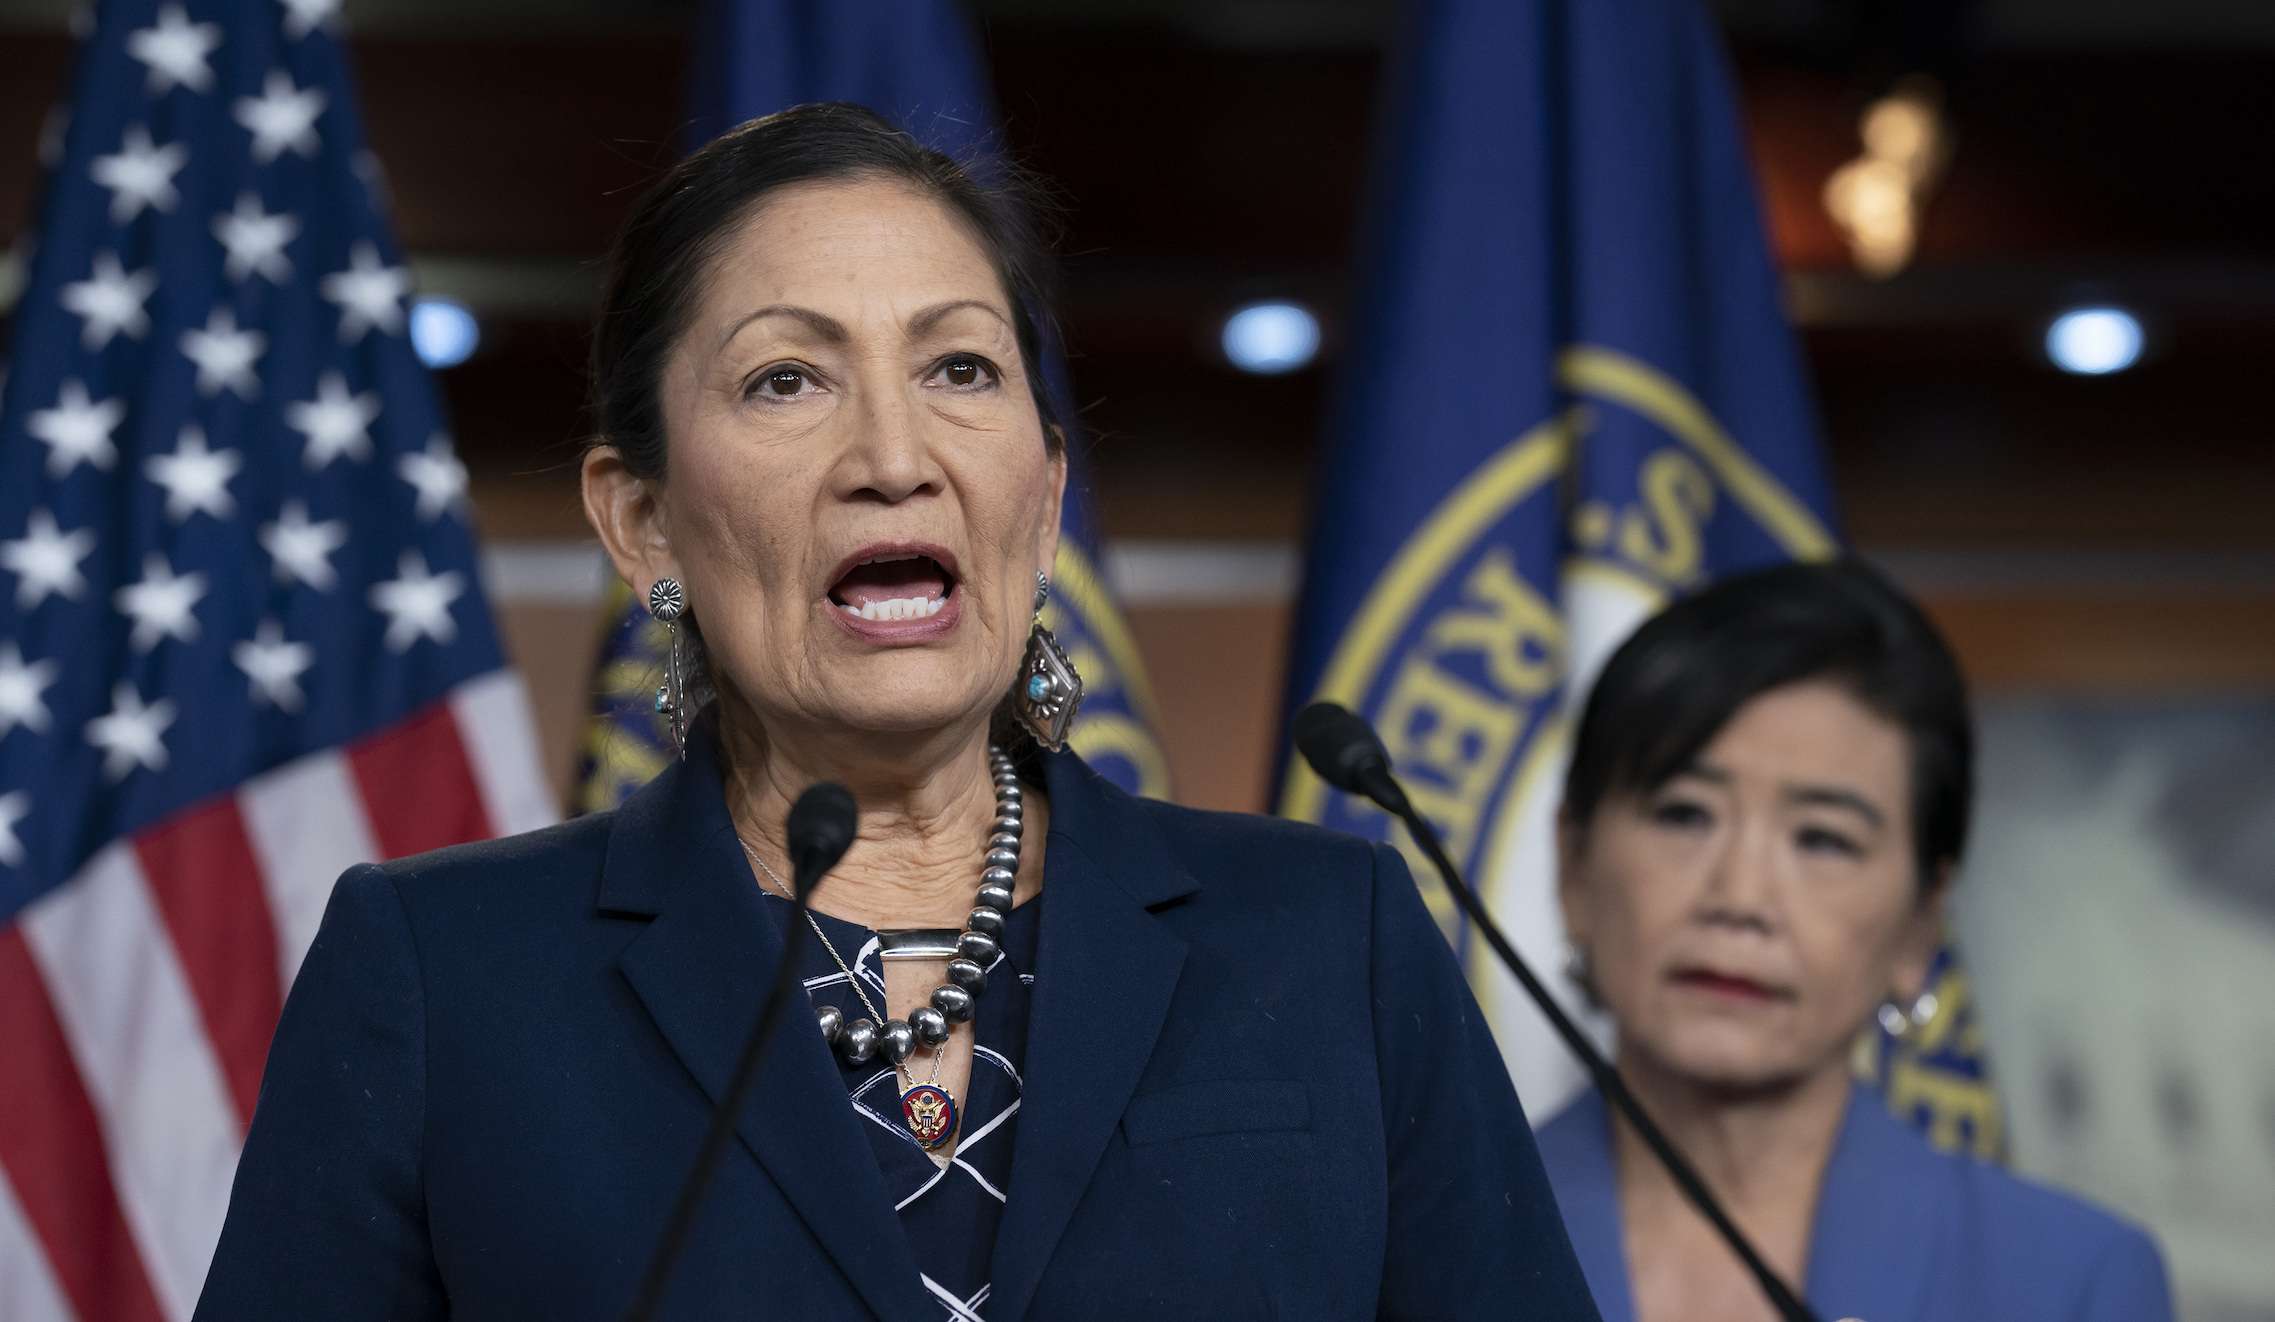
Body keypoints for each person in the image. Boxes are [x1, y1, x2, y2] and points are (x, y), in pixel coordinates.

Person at [193, 104, 1598, 1322]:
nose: (892, 455)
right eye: (785, 379)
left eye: (958, 368)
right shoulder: (442, 976)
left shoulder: (1331, 938)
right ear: (642, 520)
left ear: (1044, 497)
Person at [1535, 558, 2172, 1322]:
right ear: (1573, 868)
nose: (1740, 899)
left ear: (1919, 924)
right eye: (1684, 814)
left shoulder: (2071, 1282)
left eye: (1822, 839)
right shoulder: (1427, 1247)